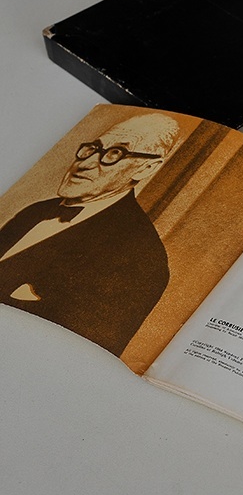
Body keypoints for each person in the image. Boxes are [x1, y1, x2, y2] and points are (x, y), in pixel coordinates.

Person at [0, 112, 181, 356]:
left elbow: (76, 356)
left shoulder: (142, 259)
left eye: (115, 153)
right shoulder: (36, 211)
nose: (85, 163)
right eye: (93, 148)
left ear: (146, 167)